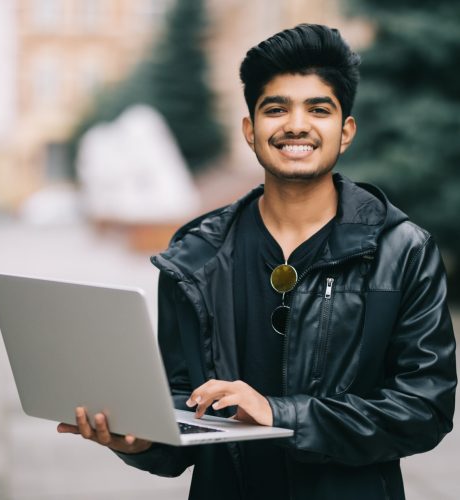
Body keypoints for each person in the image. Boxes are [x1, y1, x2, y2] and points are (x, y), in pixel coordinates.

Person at [57, 24, 457, 499]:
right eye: (276, 109)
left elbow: (423, 411)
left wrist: (280, 412)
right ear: (250, 130)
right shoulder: (196, 253)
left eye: (318, 109)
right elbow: (183, 410)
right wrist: (141, 440)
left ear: (345, 131)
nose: (296, 125)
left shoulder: (403, 249)